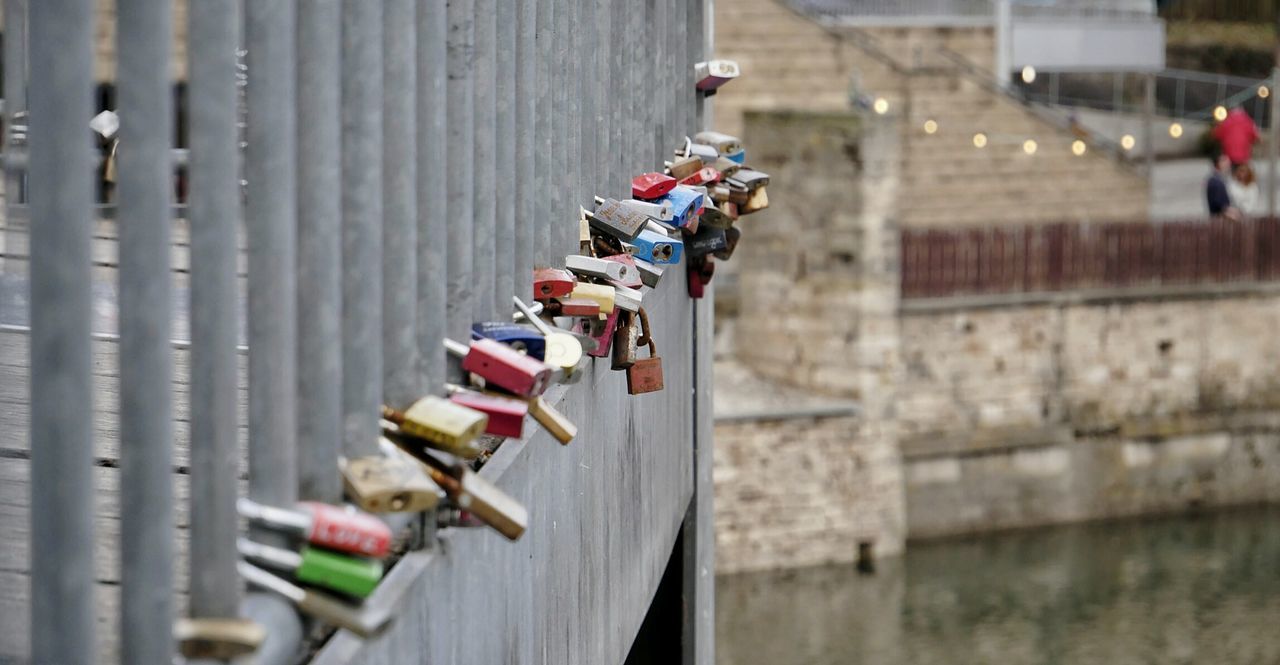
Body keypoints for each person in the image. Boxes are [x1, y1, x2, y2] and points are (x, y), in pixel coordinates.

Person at [1206, 153, 1241, 220]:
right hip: (1221, 219)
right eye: (1225, 162)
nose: (1228, 164)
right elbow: (1219, 204)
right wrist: (1232, 212)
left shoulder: (1222, 178)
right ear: (1218, 164)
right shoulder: (1215, 181)